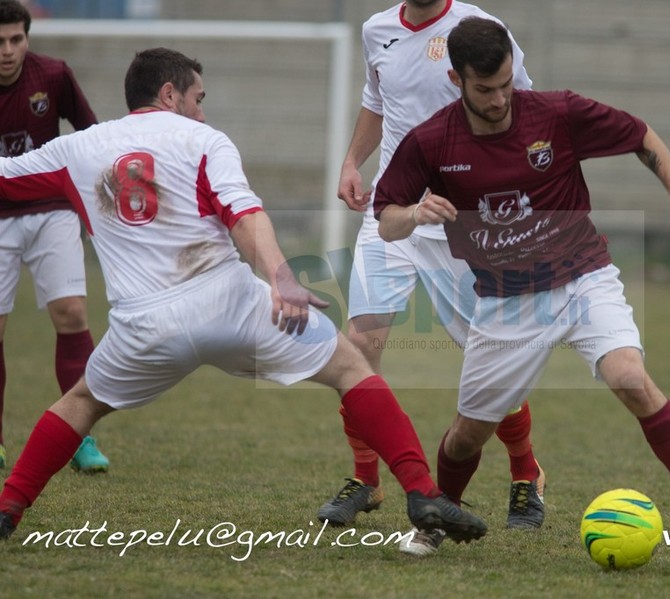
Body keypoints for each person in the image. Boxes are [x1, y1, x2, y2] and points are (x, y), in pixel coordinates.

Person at [0, 47, 488, 544]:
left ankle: (7, 509)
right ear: (169, 94)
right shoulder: (204, 140)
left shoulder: (76, 148)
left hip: (143, 326)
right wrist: (282, 276)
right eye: (198, 98)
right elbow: (243, 214)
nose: (201, 111)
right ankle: (423, 492)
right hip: (229, 304)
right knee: (351, 369)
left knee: (80, 403)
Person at [374, 17, 670, 538]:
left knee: (630, 377)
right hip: (506, 299)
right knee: (468, 434)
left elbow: (639, 134)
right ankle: (439, 518)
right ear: (456, 80)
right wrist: (414, 214)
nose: (500, 99)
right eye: (485, 89)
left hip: (582, 276)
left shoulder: (555, 113)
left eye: (506, 84)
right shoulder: (431, 142)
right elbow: (385, 218)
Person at [326, 0, 543, 554]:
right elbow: (377, 102)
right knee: (359, 346)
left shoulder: (479, 30)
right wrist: (352, 161)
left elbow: (519, 108)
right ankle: (366, 479)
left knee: (492, 358)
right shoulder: (376, 29)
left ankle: (526, 473)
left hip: (463, 220)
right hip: (395, 212)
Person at [0, 0, 109, 472]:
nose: (8, 51)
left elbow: (92, 134)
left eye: (16, 39)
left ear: (28, 37)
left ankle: (79, 438)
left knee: (72, 313)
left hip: (51, 209)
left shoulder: (53, 74)